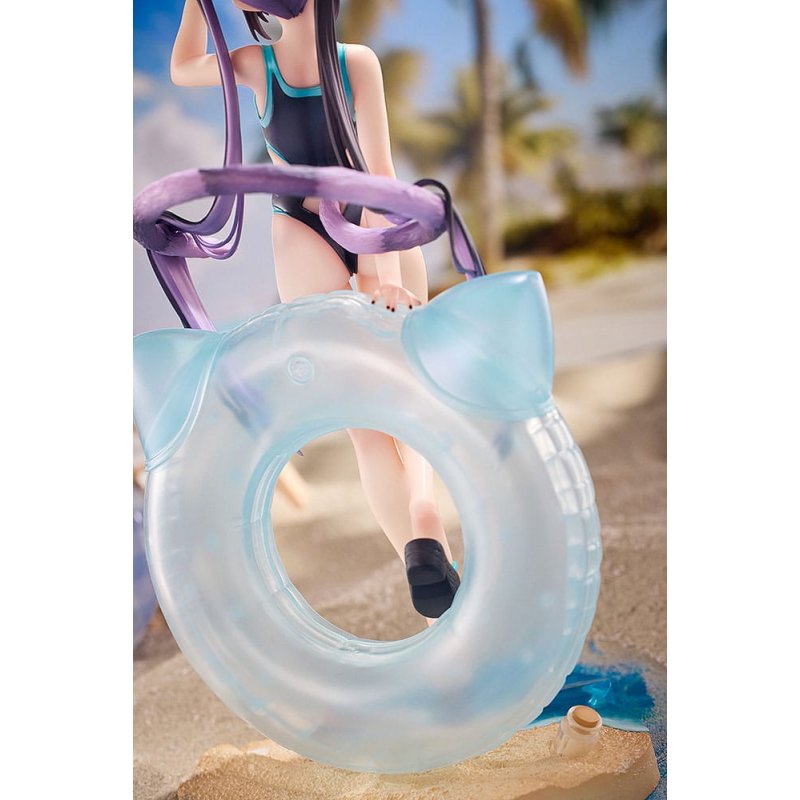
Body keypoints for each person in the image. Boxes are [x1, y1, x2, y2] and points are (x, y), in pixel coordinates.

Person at [170, 0, 460, 619]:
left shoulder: (342, 64)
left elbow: (379, 176)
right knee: (389, 410)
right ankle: (423, 537)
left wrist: (383, 275)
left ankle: (422, 536)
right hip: (315, 226)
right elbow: (185, 68)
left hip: (355, 220)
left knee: (392, 408)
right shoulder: (268, 65)